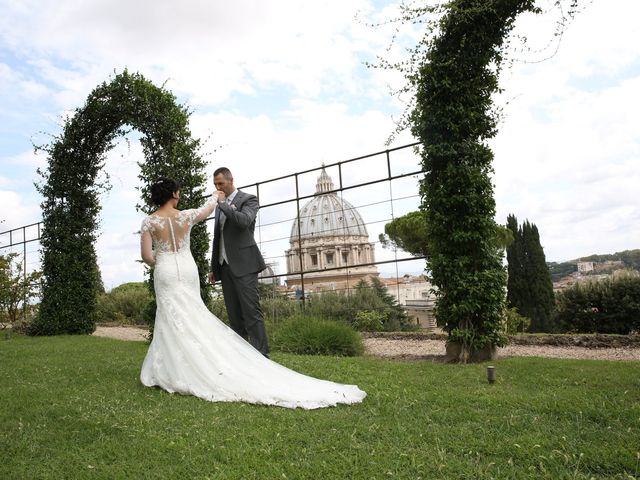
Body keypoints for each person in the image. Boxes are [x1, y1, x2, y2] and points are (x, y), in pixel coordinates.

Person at [139, 177, 366, 409]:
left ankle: (173, 366)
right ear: (174, 194)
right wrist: (215, 198)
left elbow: (148, 256)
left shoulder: (149, 221)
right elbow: (206, 210)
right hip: (187, 270)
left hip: (166, 270)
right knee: (194, 313)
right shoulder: (184, 216)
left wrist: (163, 259)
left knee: (170, 315)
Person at [207, 167, 269, 357]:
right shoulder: (220, 207)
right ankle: (243, 358)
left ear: (231, 180)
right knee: (234, 316)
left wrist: (223, 203)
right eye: (215, 184)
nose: (218, 187)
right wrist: (213, 267)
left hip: (245, 265)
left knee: (251, 313)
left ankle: (262, 356)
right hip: (224, 267)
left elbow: (243, 221)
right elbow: (218, 238)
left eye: (221, 183)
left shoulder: (248, 199)